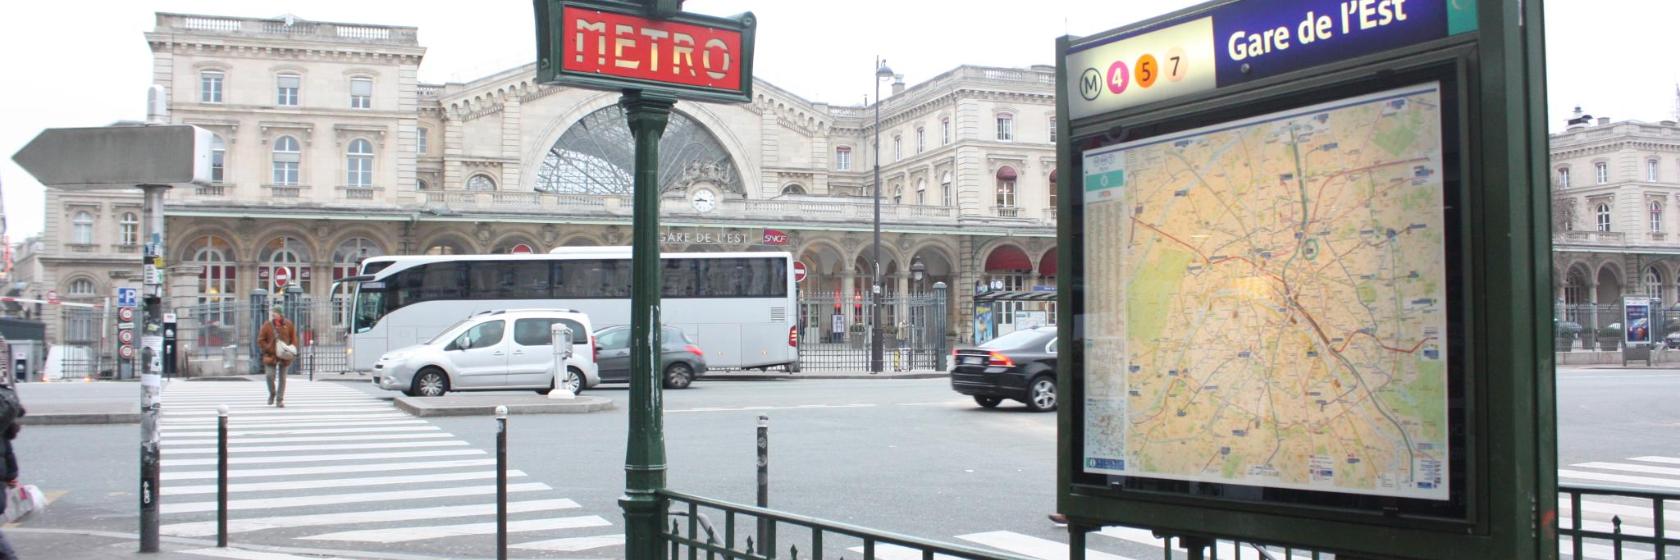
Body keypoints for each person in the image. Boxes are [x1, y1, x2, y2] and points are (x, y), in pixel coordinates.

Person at [258, 304, 297, 407]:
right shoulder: (267, 325)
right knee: (269, 376)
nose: (273, 314)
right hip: (270, 355)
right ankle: (272, 393)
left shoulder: (288, 324)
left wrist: (291, 349)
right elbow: (261, 340)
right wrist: (268, 348)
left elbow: (294, 339)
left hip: (284, 355)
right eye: (273, 312)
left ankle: (279, 400)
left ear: (280, 314)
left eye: (275, 312)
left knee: (282, 378)